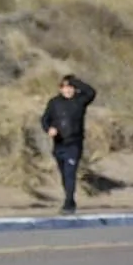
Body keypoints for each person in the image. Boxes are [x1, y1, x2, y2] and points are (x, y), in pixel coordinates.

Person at [40, 74, 97, 215]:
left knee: (70, 173)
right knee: (64, 175)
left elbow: (91, 92)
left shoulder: (80, 101)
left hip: (74, 144)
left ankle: (68, 203)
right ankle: (70, 200)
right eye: (65, 87)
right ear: (60, 89)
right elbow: (45, 119)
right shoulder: (54, 102)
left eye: (71, 87)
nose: (68, 90)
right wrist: (49, 129)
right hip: (59, 144)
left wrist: (74, 81)